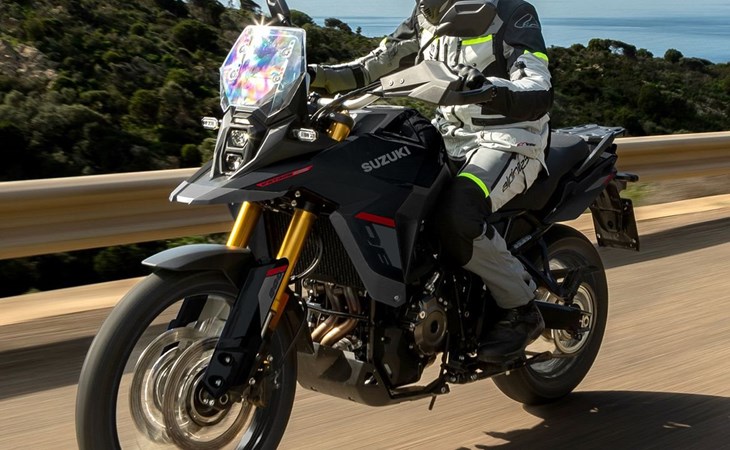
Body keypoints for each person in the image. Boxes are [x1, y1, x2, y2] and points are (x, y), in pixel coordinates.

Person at [308, 0, 551, 363]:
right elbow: (373, 66)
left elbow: (538, 86)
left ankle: (523, 308)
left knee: (458, 214)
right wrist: (314, 74)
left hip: (510, 139)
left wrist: (489, 88)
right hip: (448, 135)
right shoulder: (425, 13)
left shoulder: (512, 11)